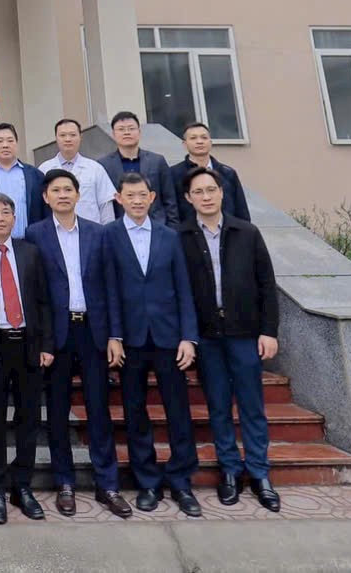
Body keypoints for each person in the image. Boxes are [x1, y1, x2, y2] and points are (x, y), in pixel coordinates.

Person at [26, 168, 131, 519]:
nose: (62, 195)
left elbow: (112, 286)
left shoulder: (98, 233)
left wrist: (115, 335)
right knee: (57, 411)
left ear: (77, 194)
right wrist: (41, 339)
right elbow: (35, 293)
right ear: (46, 197)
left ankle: (108, 484)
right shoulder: (35, 234)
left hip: (93, 331)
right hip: (56, 335)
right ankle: (65, 483)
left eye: (68, 190)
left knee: (98, 408)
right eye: (55, 190)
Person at [177, 165, 281, 512]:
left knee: (252, 405)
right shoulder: (181, 237)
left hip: (245, 334)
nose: (206, 197)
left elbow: (267, 284)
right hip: (207, 337)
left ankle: (260, 473)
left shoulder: (246, 232)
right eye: (198, 192)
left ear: (222, 193)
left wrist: (269, 330)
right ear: (188, 198)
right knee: (218, 406)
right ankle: (230, 471)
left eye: (211, 190)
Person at [106, 172, 202, 517]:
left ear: (152, 197)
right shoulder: (109, 235)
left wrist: (188, 337)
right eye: (129, 195)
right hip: (130, 340)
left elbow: (184, 289)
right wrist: (114, 336)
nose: (136, 201)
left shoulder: (169, 236)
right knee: (135, 412)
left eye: (141, 195)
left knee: (178, 411)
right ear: (119, 199)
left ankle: (181, 481)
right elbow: (109, 289)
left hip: (168, 337)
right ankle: (147, 481)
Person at [0, 193, 53, 524]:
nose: (0, 218)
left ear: (15, 219)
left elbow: (43, 302)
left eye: (6, 212)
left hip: (28, 345)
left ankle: (22, 485)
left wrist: (46, 344)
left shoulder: (30, 253)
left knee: (28, 420)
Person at [96, 111, 180, 229]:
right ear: (114, 134)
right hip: (119, 229)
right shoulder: (103, 165)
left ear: (139, 132)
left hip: (157, 226)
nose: (127, 132)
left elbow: (170, 199)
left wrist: (172, 228)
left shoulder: (157, 161)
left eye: (131, 128)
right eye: (121, 129)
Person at [169, 121, 251, 229]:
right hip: (189, 234)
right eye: (193, 138)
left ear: (210, 142)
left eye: (204, 138)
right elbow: (171, 210)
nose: (199, 141)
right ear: (184, 144)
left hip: (228, 233)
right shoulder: (173, 174)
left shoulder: (227, 173)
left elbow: (241, 211)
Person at [0, 123, 46, 239]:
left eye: (10, 141)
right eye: (0, 141)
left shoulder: (35, 175)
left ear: (16, 143)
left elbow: (44, 211)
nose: (5, 145)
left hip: (30, 242)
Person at [37, 118, 117, 225]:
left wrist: (107, 231)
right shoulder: (44, 169)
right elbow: (40, 207)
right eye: (62, 135)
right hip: (55, 230)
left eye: (72, 135)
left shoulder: (95, 168)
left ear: (80, 137)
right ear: (56, 138)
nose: (68, 139)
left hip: (91, 231)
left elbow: (105, 206)